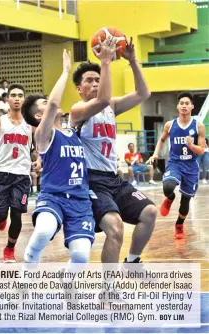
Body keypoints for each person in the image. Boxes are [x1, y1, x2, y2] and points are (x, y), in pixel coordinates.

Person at [70, 36, 157, 274]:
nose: (96, 83)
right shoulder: (78, 111)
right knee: (115, 228)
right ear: (79, 89)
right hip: (92, 181)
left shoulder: (111, 106)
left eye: (99, 79)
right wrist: (106, 62)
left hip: (114, 178)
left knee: (149, 212)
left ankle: (132, 262)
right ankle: (108, 290)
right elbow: (102, 99)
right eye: (90, 80)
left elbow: (143, 93)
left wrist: (132, 60)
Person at [21, 50, 95, 276]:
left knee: (81, 257)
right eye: (44, 103)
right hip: (53, 197)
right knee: (44, 231)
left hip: (81, 201)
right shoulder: (44, 135)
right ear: (38, 116)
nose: (51, 103)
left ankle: (66, 279)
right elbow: (53, 104)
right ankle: (26, 274)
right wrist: (65, 72)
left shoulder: (74, 131)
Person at [0, 83, 41, 262]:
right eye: (13, 95)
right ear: (7, 99)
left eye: (20, 95)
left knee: (16, 214)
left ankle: (10, 248)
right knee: (0, 213)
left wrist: (39, 160)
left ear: (24, 99)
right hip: (2, 174)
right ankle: (0, 219)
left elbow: (39, 148)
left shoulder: (31, 125)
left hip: (22, 176)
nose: (16, 98)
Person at [147, 92, 205, 239]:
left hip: (191, 166)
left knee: (185, 200)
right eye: (181, 103)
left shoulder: (198, 126)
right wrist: (155, 154)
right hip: (175, 163)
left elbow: (201, 150)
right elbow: (161, 140)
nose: (184, 106)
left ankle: (179, 226)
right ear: (178, 106)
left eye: (187, 103)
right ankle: (170, 198)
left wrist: (191, 145)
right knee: (167, 187)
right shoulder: (170, 125)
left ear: (192, 106)